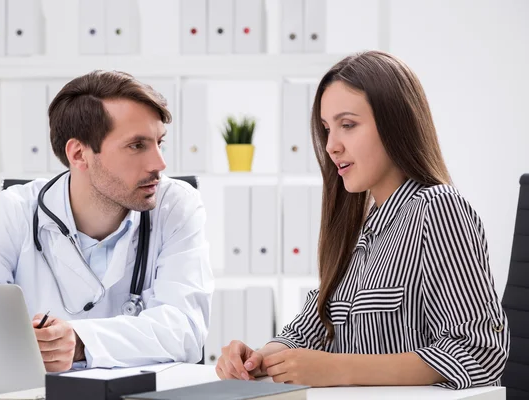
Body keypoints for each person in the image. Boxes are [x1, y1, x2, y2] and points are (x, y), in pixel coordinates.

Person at [215, 51, 509, 389]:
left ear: (395, 122)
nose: (331, 146)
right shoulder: (358, 228)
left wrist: (340, 369)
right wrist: (259, 359)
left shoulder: (438, 210)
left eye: (348, 125)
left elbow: (478, 351)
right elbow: (314, 326)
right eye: (327, 129)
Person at [0, 70, 213, 372]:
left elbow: (185, 330)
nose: (160, 164)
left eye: (159, 143)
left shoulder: (176, 205)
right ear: (79, 154)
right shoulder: (17, 209)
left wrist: (80, 342)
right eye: (137, 146)